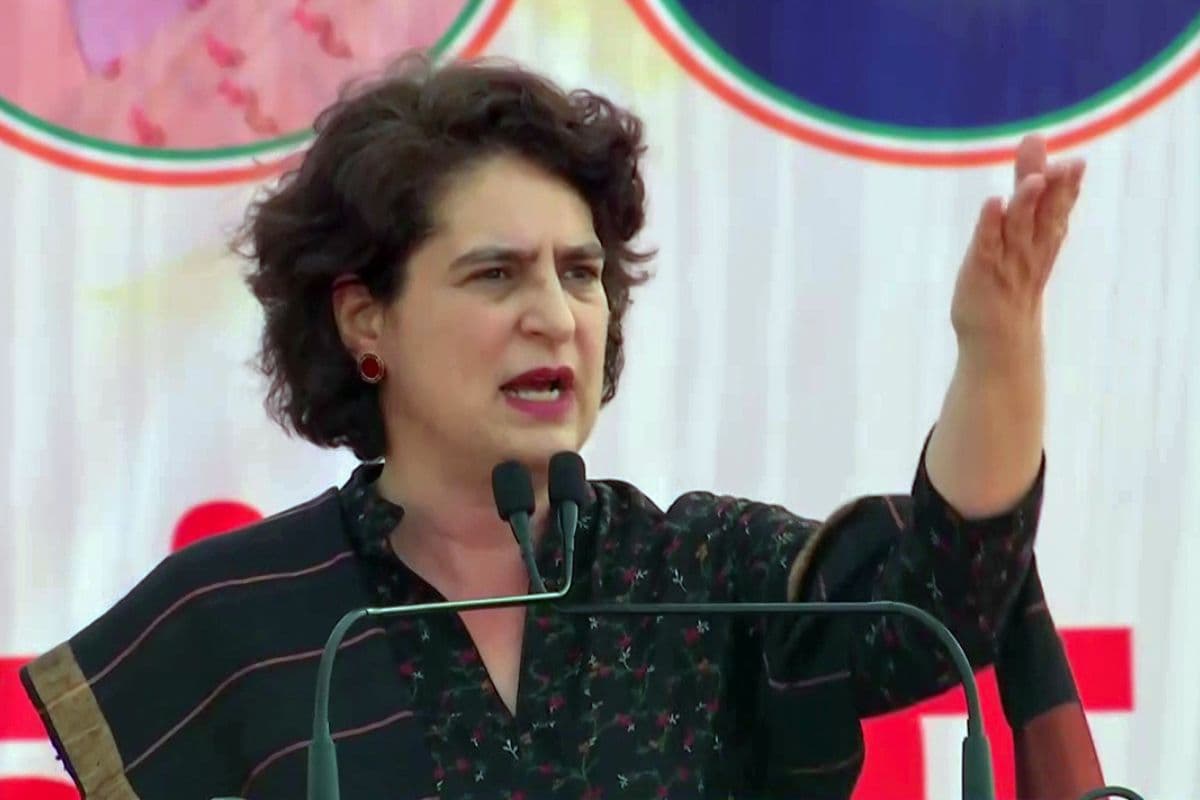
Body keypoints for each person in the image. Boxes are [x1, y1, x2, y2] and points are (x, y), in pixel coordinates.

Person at [20, 54, 1093, 799]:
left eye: (580, 274)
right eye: (495, 274)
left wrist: (996, 345)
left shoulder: (701, 572)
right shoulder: (237, 617)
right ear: (364, 319)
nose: (555, 315)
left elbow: (941, 601)